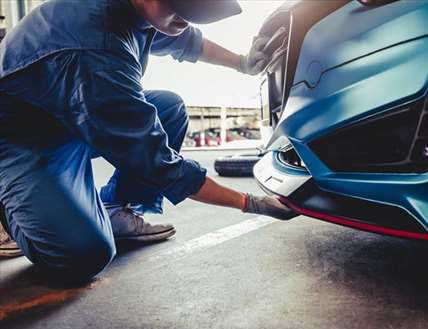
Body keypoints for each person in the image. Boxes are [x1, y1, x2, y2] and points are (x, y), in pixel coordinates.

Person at [0, 0, 297, 280]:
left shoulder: (141, 12)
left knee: (169, 108)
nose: (183, 21)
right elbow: (159, 165)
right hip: (21, 141)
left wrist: (242, 62)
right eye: (178, 12)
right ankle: (11, 208)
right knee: (83, 255)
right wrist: (249, 203)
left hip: (69, 114)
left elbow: (186, 40)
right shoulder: (96, 48)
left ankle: (115, 208)